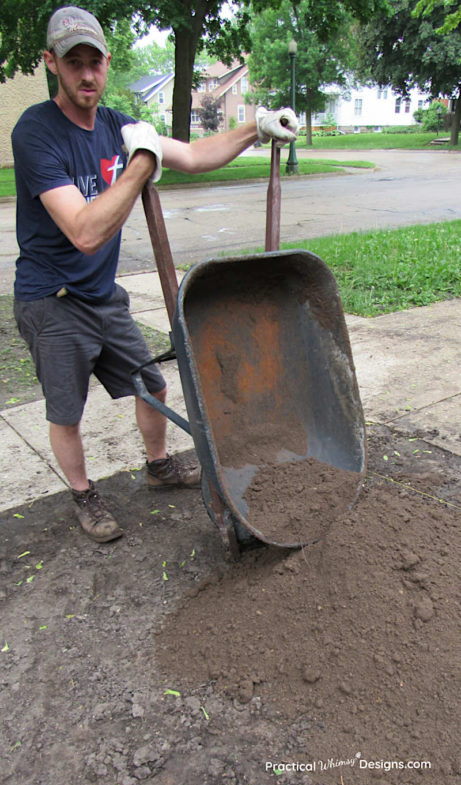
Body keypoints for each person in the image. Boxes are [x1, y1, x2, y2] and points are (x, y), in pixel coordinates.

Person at [12, 6, 298, 544]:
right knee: (67, 410)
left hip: (102, 295)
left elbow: (191, 153)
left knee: (153, 384)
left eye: (93, 62)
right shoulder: (35, 132)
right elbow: (85, 231)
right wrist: (142, 162)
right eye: (73, 63)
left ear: (106, 61)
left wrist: (254, 129)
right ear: (52, 64)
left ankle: (159, 465)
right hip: (51, 298)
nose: (86, 75)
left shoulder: (120, 127)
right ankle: (83, 495)